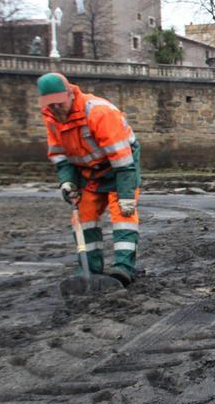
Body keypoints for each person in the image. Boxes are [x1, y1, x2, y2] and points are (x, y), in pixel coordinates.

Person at [38, 72, 142, 285]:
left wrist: (126, 194)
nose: (56, 109)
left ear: (69, 93)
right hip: (87, 170)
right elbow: (60, 156)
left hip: (120, 166)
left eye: (59, 103)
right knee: (83, 217)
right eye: (51, 105)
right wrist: (67, 181)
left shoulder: (99, 112)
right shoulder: (51, 118)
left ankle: (123, 268)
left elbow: (122, 161)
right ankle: (91, 269)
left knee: (124, 213)